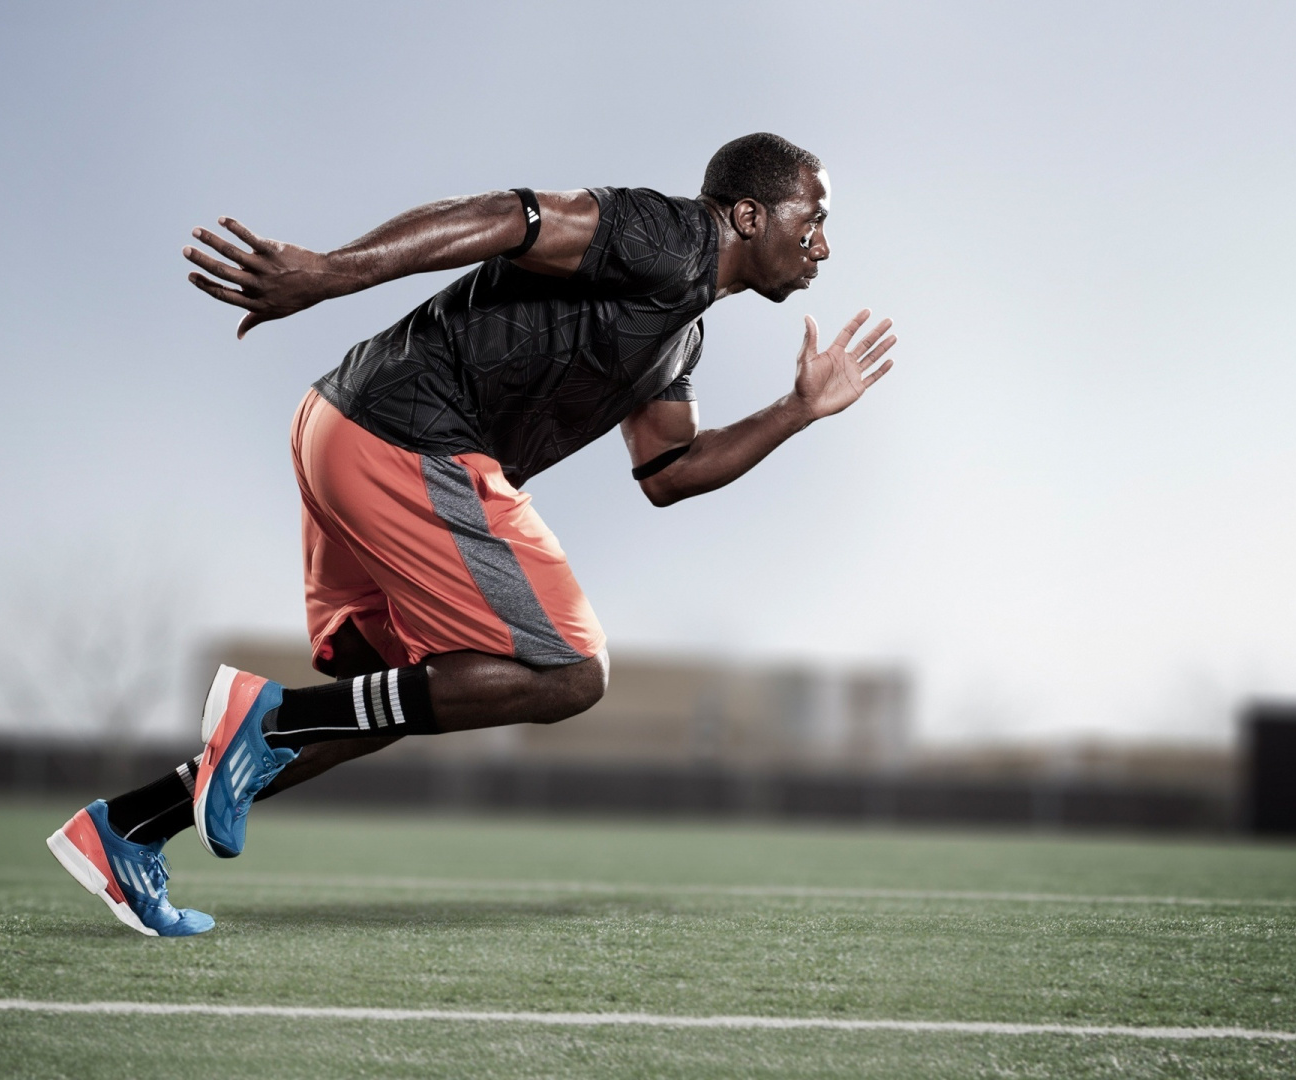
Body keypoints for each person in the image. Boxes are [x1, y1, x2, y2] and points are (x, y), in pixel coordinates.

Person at [45, 133, 896, 936]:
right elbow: (507, 216)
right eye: (812, 221)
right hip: (407, 434)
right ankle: (265, 721)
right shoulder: (668, 234)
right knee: (569, 672)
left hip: (342, 426)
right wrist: (330, 275)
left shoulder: (682, 330)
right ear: (749, 216)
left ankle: (130, 829)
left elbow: (670, 472)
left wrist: (796, 411)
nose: (822, 246)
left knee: (387, 700)